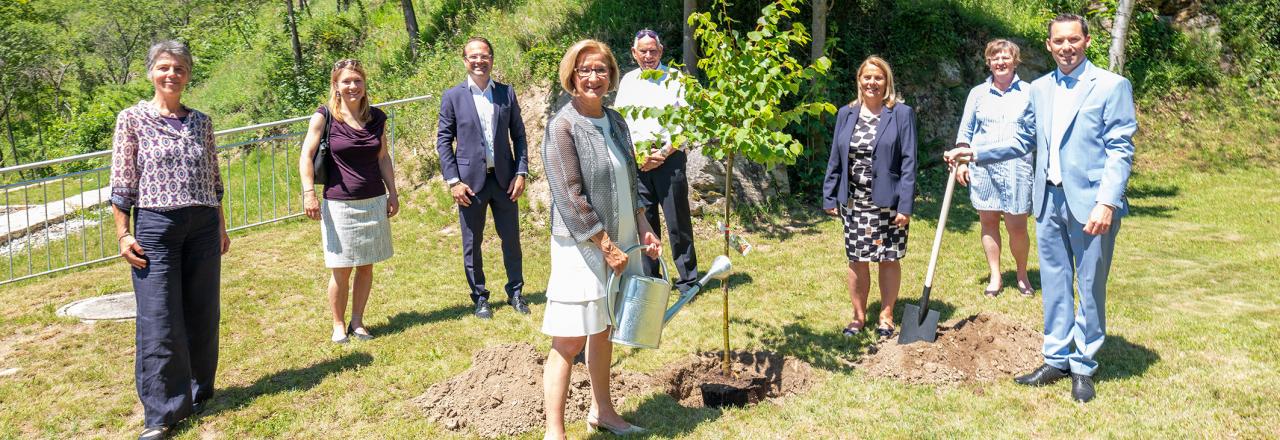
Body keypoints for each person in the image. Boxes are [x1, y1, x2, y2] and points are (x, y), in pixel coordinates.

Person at [945, 14, 1137, 403]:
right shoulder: (1041, 88)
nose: (1066, 47)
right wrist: (976, 152)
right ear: (1048, 46)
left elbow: (1121, 147)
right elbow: (1022, 139)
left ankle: (1083, 366)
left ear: (1086, 41)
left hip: (1092, 204)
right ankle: (1056, 357)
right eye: (1058, 42)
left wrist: (1107, 201)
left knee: (1089, 286)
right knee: (1053, 283)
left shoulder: (1111, 86)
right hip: (1048, 201)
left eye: (1073, 40)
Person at [110, 40, 230, 440]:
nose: (171, 74)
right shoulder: (132, 119)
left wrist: (221, 226)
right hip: (156, 228)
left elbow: (214, 181)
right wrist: (124, 233)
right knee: (159, 318)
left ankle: (200, 390)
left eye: (179, 68)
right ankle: (160, 414)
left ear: (188, 74)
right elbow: (122, 182)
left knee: (202, 309)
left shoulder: (202, 121)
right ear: (150, 73)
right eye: (164, 67)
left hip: (203, 225)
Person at [541, 39, 660, 439]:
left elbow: (630, 179)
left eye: (601, 70)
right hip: (583, 246)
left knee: (604, 328)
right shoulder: (562, 126)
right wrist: (604, 245)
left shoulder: (616, 121)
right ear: (572, 76)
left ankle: (603, 411)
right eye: (585, 70)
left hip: (622, 239)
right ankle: (554, 431)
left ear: (611, 76)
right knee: (569, 338)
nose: (593, 77)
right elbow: (569, 195)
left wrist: (643, 223)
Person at [299, 59, 398, 344]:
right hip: (339, 203)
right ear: (336, 86)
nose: (352, 86)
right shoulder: (324, 117)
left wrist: (392, 191)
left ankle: (358, 321)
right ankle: (338, 324)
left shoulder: (377, 118)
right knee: (341, 268)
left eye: (357, 81)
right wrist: (309, 193)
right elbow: (306, 155)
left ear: (364, 85)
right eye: (346, 81)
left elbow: (383, 158)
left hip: (373, 200)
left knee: (366, 264)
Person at [821, 56, 918, 339]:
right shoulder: (846, 113)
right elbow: (835, 158)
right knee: (857, 258)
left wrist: (906, 204)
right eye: (867, 77)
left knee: (888, 257)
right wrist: (830, 194)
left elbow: (910, 161)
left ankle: (886, 316)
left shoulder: (901, 113)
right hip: (855, 201)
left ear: (886, 82)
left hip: (889, 200)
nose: (872, 83)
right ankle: (858, 316)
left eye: (878, 78)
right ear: (859, 80)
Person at [436, 36, 530, 319]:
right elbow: (443, 141)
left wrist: (521, 172)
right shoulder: (453, 97)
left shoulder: (506, 93)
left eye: (484, 55)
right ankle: (480, 298)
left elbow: (520, 136)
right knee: (471, 243)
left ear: (492, 59)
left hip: (504, 180)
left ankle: (516, 293)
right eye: (473, 56)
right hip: (468, 184)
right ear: (465, 61)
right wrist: (453, 181)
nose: (479, 61)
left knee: (511, 239)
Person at [614, 28, 700, 294]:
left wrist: (662, 154)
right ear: (634, 53)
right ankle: (651, 279)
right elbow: (620, 122)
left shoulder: (675, 79)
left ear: (661, 51)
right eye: (643, 51)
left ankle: (688, 281)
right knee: (646, 222)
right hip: (637, 161)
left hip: (670, 158)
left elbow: (686, 124)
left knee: (678, 221)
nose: (648, 56)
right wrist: (638, 156)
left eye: (653, 51)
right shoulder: (627, 80)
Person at [953, 39, 1036, 298]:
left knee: (1017, 225)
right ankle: (995, 276)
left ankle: (1022, 275)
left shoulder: (1030, 93)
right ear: (988, 63)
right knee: (988, 222)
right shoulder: (977, 94)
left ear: (1015, 61)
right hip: (984, 168)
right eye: (994, 58)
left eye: (1005, 57)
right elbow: (966, 131)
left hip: (1017, 169)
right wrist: (962, 162)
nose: (1000, 62)